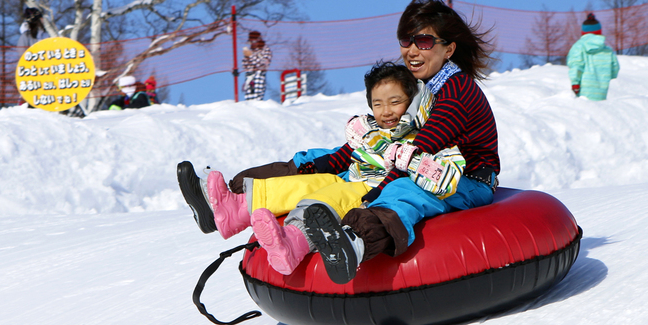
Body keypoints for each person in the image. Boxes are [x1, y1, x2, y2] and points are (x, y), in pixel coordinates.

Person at [178, 61, 464, 275]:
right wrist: (315, 167)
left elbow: (445, 176)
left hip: (372, 190)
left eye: (395, 102)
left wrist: (411, 159)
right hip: (350, 178)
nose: (386, 111)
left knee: (323, 201)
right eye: (378, 104)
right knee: (303, 186)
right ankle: (232, 209)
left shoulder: (425, 137)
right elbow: (342, 156)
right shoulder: (368, 131)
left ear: (413, 103)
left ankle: (291, 244)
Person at [300, 0, 500, 283]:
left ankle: (358, 240)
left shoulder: (455, 92)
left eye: (423, 41)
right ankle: (247, 197)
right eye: (406, 41)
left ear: (448, 49)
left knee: (404, 190)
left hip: (464, 179)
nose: (411, 50)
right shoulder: (423, 88)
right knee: (331, 156)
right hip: (427, 166)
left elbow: (418, 150)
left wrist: (374, 192)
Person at [566, 13, 619, 101]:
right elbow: (614, 70)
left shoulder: (578, 47)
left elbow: (576, 65)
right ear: (599, 31)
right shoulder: (607, 50)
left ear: (583, 32)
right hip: (602, 93)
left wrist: (575, 83)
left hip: (582, 92)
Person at [242, 31, 272, 101]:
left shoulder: (265, 49)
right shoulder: (250, 50)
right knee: (248, 100)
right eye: (251, 42)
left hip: (259, 75)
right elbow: (245, 66)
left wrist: (251, 56)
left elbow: (264, 64)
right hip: (249, 77)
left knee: (257, 99)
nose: (252, 44)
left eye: (254, 41)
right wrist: (247, 57)